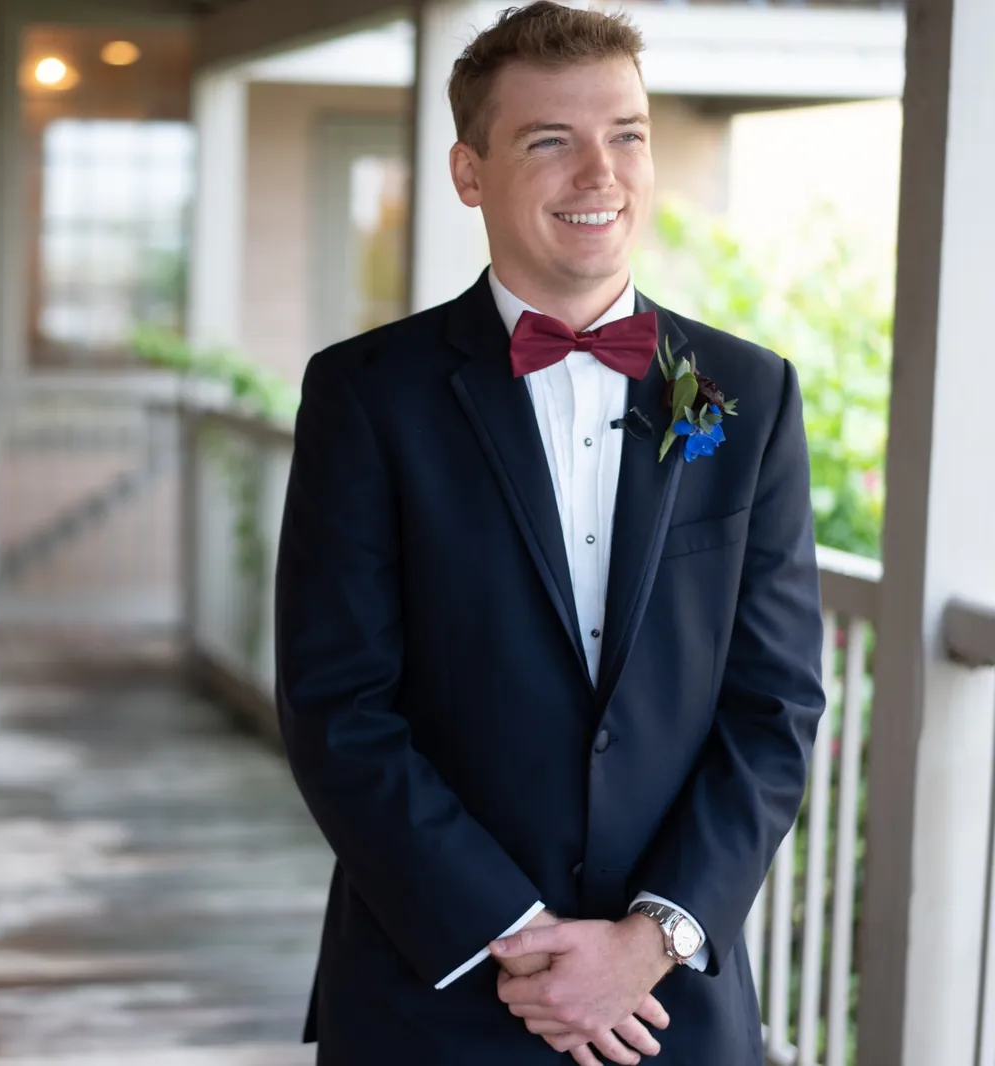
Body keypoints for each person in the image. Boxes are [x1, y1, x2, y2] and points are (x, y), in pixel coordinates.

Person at [272, 3, 825, 1063]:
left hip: (671, 1001)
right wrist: (517, 936)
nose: (599, 174)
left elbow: (775, 704)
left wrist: (652, 934)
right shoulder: (363, 396)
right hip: (434, 986)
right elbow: (336, 704)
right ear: (467, 172)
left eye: (625, 134)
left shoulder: (744, 394)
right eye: (549, 141)